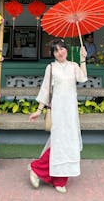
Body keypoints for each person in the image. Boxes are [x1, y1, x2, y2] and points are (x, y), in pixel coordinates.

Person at [28, 39, 88, 193]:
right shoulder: (51, 68)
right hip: (58, 111)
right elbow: (45, 89)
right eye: (56, 50)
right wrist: (39, 110)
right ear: (53, 54)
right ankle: (37, 169)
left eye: (62, 49)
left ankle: (59, 180)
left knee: (70, 143)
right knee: (59, 143)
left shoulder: (74, 66)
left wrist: (82, 59)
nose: (60, 52)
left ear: (66, 50)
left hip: (71, 111)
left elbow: (83, 78)